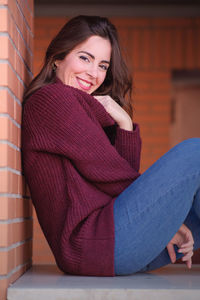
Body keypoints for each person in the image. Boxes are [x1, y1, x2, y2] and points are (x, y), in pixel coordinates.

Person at [21, 15, 200, 277]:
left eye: (103, 65)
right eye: (85, 58)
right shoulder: (52, 101)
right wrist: (166, 222)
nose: (94, 74)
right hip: (96, 245)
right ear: (57, 58)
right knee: (194, 153)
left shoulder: (82, 108)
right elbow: (112, 174)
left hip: (115, 247)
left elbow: (116, 180)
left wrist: (125, 124)